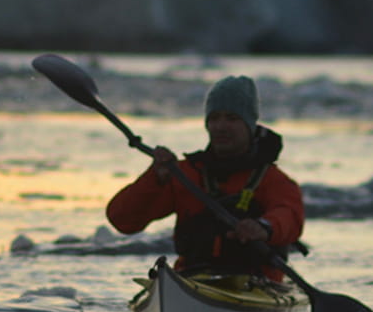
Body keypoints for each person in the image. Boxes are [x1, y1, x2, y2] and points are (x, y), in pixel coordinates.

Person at [106, 75, 304, 280]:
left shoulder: (274, 180)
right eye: (214, 118)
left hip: (258, 283)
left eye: (232, 118)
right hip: (193, 278)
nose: (221, 126)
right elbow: (122, 221)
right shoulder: (184, 174)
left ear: (250, 125)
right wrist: (153, 179)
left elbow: (290, 215)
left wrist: (264, 227)